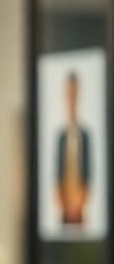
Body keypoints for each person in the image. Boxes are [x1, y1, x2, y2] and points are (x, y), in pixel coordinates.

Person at [56, 71, 91, 226]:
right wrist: (63, 201)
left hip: (81, 204)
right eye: (69, 96)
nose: (72, 101)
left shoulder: (85, 136)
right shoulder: (61, 137)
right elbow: (57, 175)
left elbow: (88, 172)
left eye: (74, 95)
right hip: (63, 204)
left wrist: (80, 200)